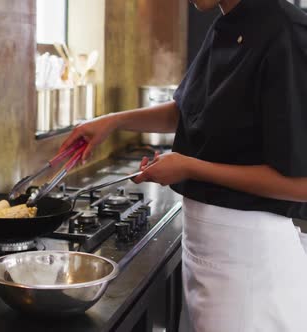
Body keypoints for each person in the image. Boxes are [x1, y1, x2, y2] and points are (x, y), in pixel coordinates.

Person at [60, 0, 307, 330]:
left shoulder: (285, 32)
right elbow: (188, 111)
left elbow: (301, 184)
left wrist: (190, 167)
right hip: (204, 253)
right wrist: (111, 122)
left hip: (252, 268)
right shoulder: (226, 24)